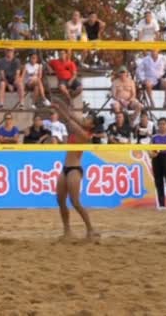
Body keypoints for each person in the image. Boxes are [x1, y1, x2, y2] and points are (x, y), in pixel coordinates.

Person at [51, 102, 98, 240]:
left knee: (75, 202)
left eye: (88, 119)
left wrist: (61, 110)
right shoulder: (83, 127)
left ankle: (90, 229)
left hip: (75, 169)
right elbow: (71, 116)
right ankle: (67, 231)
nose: (85, 119)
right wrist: (60, 106)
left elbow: (69, 121)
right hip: (65, 168)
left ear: (92, 126)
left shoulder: (85, 135)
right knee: (60, 200)